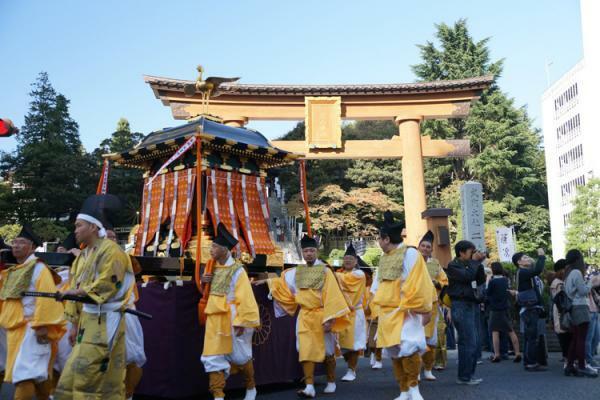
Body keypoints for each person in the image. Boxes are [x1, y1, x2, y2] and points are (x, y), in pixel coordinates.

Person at [54, 194, 136, 399]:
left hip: (105, 321)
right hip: (86, 322)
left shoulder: (113, 251)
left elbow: (109, 282)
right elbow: (74, 284)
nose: (75, 231)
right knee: (73, 377)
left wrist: (76, 292)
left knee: (88, 377)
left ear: (92, 227)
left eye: (78, 226)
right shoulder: (83, 255)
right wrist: (73, 324)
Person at [256, 235, 350, 398]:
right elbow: (282, 283)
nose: (309, 254)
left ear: (317, 251)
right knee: (305, 349)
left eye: (312, 250)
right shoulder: (297, 272)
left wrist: (330, 318)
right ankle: (309, 386)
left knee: (327, 350)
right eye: (306, 251)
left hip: (322, 315)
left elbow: (332, 295)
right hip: (305, 316)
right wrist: (266, 282)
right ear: (302, 252)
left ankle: (331, 380)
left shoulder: (325, 271)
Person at [370, 211, 434, 400]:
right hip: (387, 313)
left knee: (410, 349)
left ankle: (414, 388)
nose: (379, 243)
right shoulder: (384, 258)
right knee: (395, 353)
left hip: (407, 310)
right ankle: (403, 390)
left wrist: (423, 308)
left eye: (379, 239)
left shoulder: (411, 253)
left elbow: (420, 282)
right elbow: (377, 286)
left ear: (386, 239)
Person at [0, 224, 66, 400]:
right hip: (16, 332)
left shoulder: (39, 268)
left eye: (21, 242)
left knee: (25, 377)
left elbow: (47, 297)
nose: (16, 245)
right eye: (14, 242)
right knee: (36, 377)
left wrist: (43, 325)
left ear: (33, 247)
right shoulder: (13, 271)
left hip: (33, 329)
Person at [200, 223, 260, 400]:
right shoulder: (211, 267)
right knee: (212, 356)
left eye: (215, 247)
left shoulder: (238, 270)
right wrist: (204, 281)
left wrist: (242, 321)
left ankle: (251, 387)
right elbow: (206, 291)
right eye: (212, 246)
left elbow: (246, 297)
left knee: (241, 356)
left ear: (225, 250)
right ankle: (218, 395)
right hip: (214, 319)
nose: (211, 250)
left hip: (233, 317)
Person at [106, 228, 147, 400]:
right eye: (107, 237)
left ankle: (128, 395)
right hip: (99, 315)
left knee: (133, 356)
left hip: (125, 312)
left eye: (113, 237)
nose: (111, 240)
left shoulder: (125, 258)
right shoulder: (90, 259)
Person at [446, 240, 486, 385]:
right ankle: (465, 376)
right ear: (462, 252)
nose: (473, 254)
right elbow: (467, 277)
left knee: (472, 342)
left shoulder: (472, 265)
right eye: (471, 251)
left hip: (472, 304)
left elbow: (480, 279)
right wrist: (475, 263)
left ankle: (467, 375)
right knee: (468, 342)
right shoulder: (453, 265)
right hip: (461, 305)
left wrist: (479, 263)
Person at [417, 230, 448, 381]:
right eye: (422, 246)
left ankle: (428, 368)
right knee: (415, 339)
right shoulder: (412, 262)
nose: (424, 248)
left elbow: (444, 280)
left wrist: (436, 283)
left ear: (431, 249)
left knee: (431, 340)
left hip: (432, 305)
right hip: (414, 305)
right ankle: (415, 370)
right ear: (418, 247)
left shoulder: (435, 263)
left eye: (428, 247)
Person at [335, 243, 368, 382]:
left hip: (355, 313)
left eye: (351, 259)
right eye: (346, 258)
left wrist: (331, 274)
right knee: (342, 345)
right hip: (342, 313)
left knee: (353, 344)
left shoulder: (359, 274)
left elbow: (347, 281)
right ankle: (350, 366)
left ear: (356, 261)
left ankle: (351, 370)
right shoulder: (341, 274)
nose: (347, 260)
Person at [563, 249, 598, 377]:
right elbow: (583, 291)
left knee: (576, 338)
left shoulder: (568, 273)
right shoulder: (577, 272)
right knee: (581, 338)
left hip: (573, 307)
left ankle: (570, 365)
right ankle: (582, 366)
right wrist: (590, 282)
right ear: (578, 259)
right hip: (581, 307)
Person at [514, 248, 547, 371]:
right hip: (530, 308)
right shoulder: (522, 272)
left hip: (529, 307)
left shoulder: (523, 272)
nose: (528, 259)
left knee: (530, 337)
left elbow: (535, 268)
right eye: (525, 258)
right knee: (532, 337)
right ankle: (531, 363)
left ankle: (529, 362)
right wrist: (541, 256)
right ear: (519, 262)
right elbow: (538, 270)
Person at [485, 262, 522, 363]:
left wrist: (488, 280)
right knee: (510, 330)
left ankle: (497, 354)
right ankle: (517, 352)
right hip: (505, 308)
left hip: (495, 309)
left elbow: (487, 293)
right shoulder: (505, 280)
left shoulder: (493, 282)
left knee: (495, 331)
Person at [550, 259, 572, 364]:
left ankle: (566, 358)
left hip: (559, 309)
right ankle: (566, 359)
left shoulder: (558, 281)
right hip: (561, 310)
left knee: (564, 333)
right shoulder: (558, 283)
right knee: (564, 333)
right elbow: (560, 299)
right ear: (561, 270)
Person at [585, 271, 600, 370]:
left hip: (595, 310)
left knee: (597, 336)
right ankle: (589, 360)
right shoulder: (592, 277)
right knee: (589, 337)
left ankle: (591, 358)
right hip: (589, 310)